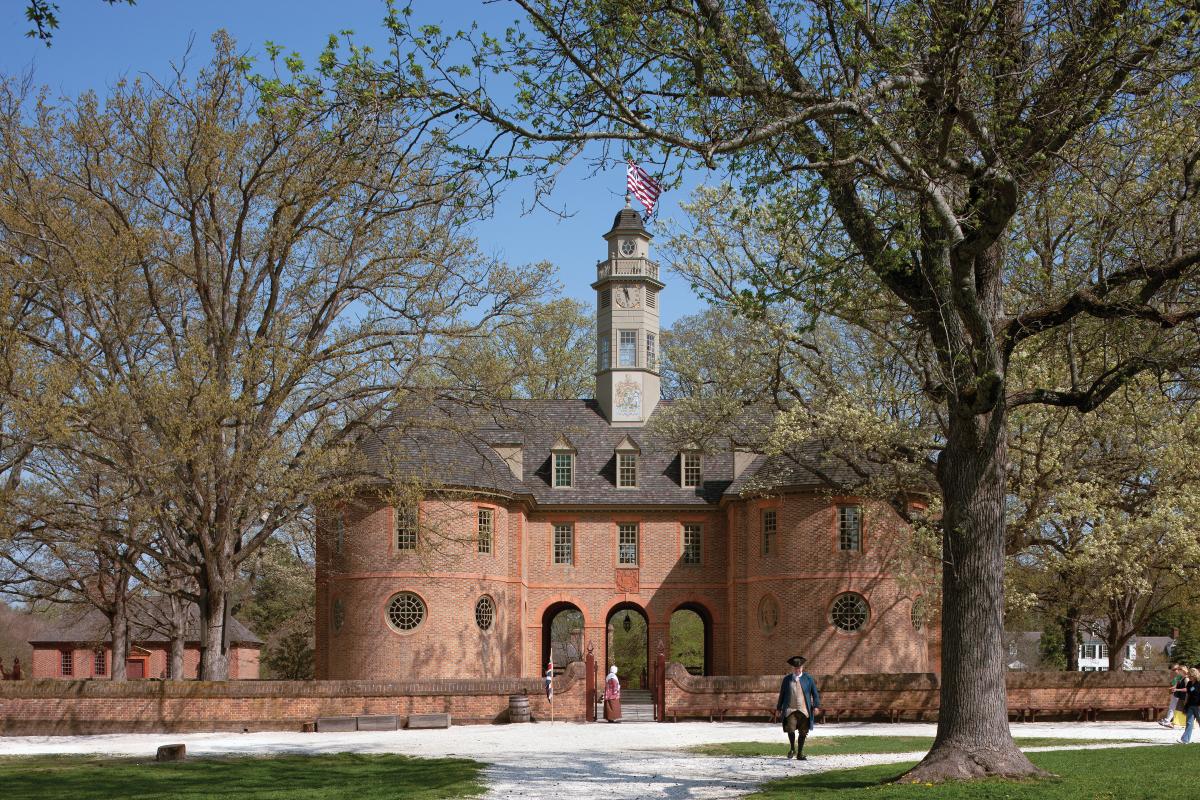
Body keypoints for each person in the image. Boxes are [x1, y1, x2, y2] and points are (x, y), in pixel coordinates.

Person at [776, 655, 821, 760]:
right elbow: (782, 694)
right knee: (790, 729)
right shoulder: (787, 680)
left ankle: (800, 753)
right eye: (796, 668)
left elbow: (815, 694)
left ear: (802, 668)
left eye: (799, 668)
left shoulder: (808, 679)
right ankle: (792, 749)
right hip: (790, 710)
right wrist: (778, 708)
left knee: (803, 732)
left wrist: (816, 706)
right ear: (793, 668)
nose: (798, 669)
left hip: (804, 710)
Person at [1178, 667, 1200, 744]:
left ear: (1195, 675)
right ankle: (1185, 740)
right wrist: (1185, 704)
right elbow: (1188, 694)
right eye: (1189, 676)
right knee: (1189, 723)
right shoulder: (1190, 683)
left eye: (1191, 676)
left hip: (1198, 706)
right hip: (1190, 705)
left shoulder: (1199, 683)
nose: (1189, 677)